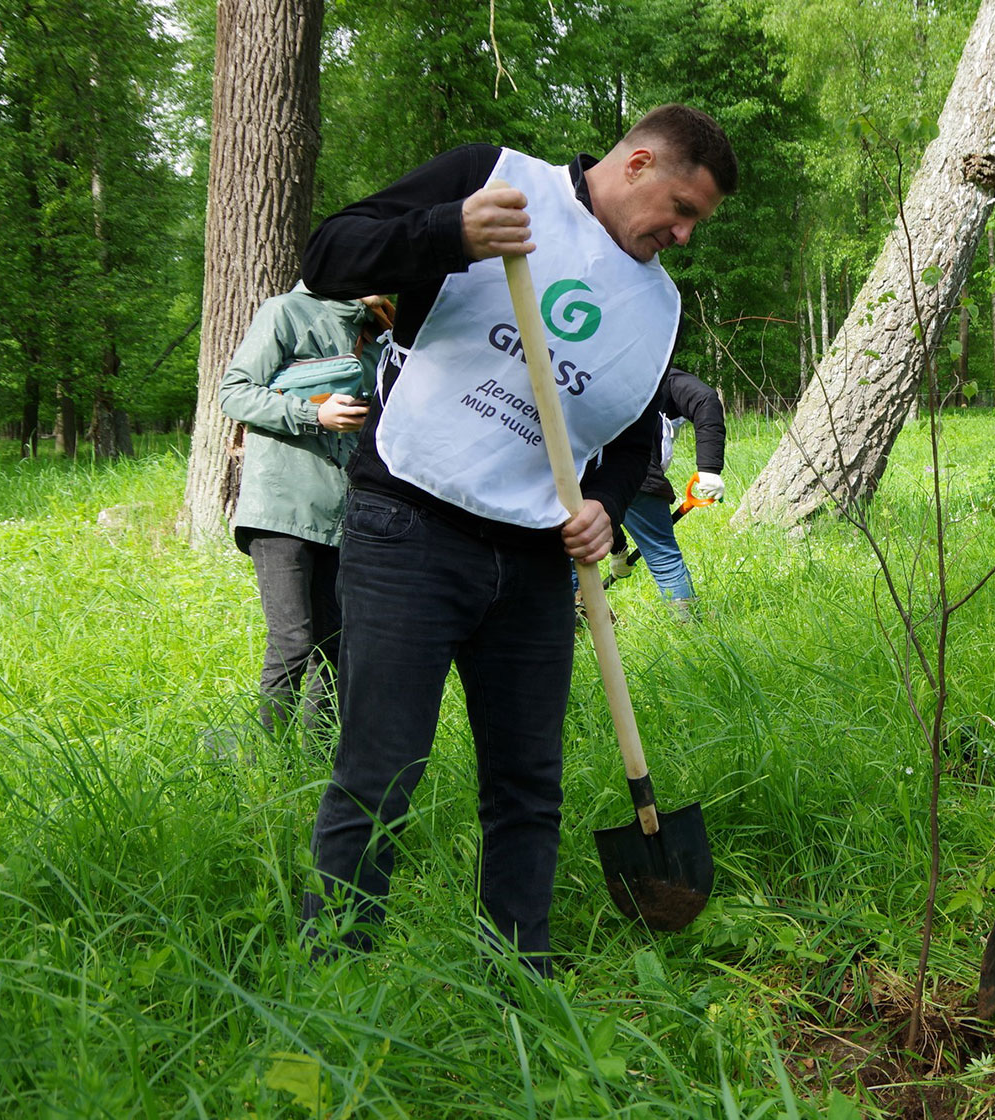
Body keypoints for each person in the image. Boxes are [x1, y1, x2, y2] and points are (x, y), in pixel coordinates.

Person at [298, 104, 737, 968]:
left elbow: (633, 431)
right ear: (639, 162)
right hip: (411, 523)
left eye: (696, 224)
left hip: (538, 561)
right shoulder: (496, 180)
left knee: (529, 785)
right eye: (681, 210)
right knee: (380, 769)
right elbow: (327, 256)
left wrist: (607, 504)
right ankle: (335, 975)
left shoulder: (658, 304)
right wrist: (447, 231)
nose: (684, 235)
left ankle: (520, 970)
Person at [217, 283, 390, 735]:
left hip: (343, 516)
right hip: (280, 508)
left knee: (335, 646)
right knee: (292, 642)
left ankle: (317, 766)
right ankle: (272, 769)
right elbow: (233, 392)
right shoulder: (286, 312)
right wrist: (315, 414)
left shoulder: (381, 333)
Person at [604, 366, 727, 619]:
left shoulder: (589, 369)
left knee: (570, 555)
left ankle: (573, 620)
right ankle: (687, 623)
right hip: (635, 475)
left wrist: (617, 549)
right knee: (662, 554)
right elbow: (706, 398)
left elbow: (599, 498)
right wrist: (710, 469)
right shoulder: (655, 369)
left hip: (581, 474)